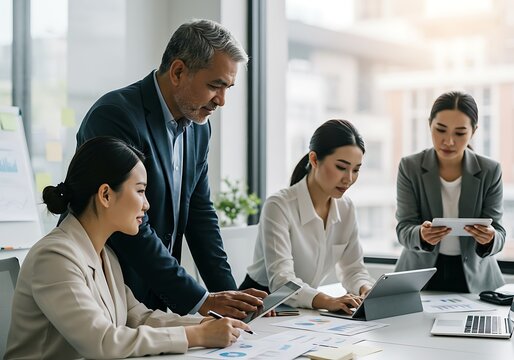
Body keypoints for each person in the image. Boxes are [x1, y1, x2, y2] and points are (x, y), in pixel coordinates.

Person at [75, 19, 266, 318]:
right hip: (106, 289)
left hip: (154, 300)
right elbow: (127, 224)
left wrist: (236, 302)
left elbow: (200, 216)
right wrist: (200, 299)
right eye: (215, 86)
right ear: (178, 71)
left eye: (227, 88)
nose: (222, 101)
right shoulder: (115, 115)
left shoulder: (199, 129)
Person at [5, 137, 251, 360]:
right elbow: (102, 342)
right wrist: (196, 336)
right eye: (141, 191)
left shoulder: (105, 255)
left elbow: (139, 319)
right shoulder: (54, 258)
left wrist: (204, 325)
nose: (146, 205)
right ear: (105, 195)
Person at [240, 120, 374, 314]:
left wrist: (366, 289)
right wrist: (329, 301)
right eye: (341, 167)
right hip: (260, 307)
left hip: (303, 308)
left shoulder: (346, 208)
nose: (349, 178)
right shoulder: (279, 205)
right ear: (314, 159)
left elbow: (353, 269)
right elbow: (282, 280)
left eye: (356, 169)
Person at [394, 91, 506, 293]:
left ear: (474, 131)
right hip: (420, 274)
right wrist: (420, 234)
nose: (449, 141)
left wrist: (489, 238)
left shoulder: (490, 170)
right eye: (441, 130)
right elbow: (403, 229)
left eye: (460, 133)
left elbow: (499, 232)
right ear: (430, 124)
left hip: (476, 278)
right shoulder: (410, 167)